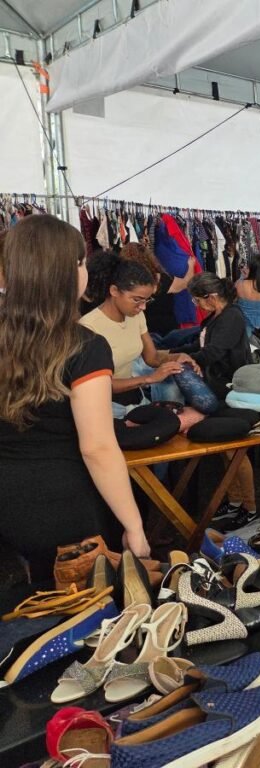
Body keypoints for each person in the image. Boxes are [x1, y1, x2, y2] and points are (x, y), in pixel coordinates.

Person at [0, 215, 150, 577]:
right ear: (67, 271)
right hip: (63, 505)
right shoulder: (84, 346)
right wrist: (134, 525)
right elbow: (97, 448)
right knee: (78, 606)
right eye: (82, 262)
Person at [177, 273, 257, 525]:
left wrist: (188, 359)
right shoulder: (217, 317)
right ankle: (235, 501)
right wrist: (178, 355)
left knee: (234, 450)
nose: (197, 305)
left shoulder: (231, 317)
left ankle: (250, 508)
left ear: (211, 297)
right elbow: (203, 348)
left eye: (197, 300)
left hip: (230, 390)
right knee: (227, 450)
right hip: (219, 387)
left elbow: (214, 352)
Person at [80, 252, 196, 414]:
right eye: (137, 299)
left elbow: (152, 357)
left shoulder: (136, 316)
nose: (143, 307)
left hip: (136, 399)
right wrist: (149, 379)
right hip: (106, 408)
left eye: (147, 300)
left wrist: (177, 357)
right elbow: (96, 385)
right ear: (114, 291)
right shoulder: (89, 328)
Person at [120, 243, 196, 338]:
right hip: (166, 328)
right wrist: (191, 266)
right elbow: (186, 283)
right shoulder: (159, 279)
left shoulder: (123, 282)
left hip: (141, 330)